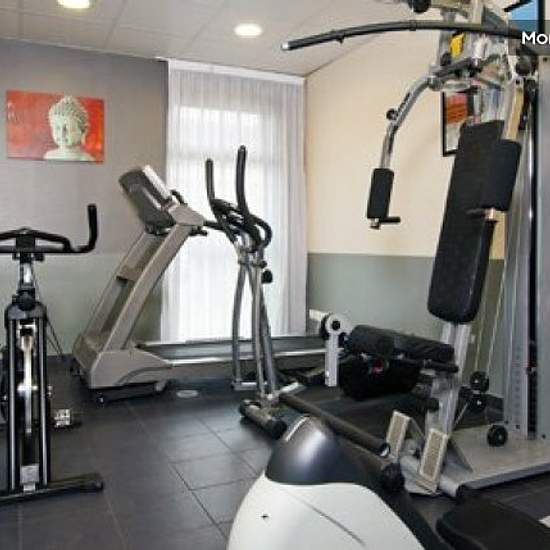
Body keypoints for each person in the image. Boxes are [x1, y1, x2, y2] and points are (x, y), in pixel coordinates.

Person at [44, 95, 95, 162]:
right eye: (57, 128)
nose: (62, 134)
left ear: (83, 131)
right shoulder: (49, 156)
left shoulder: (86, 159)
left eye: (68, 128)